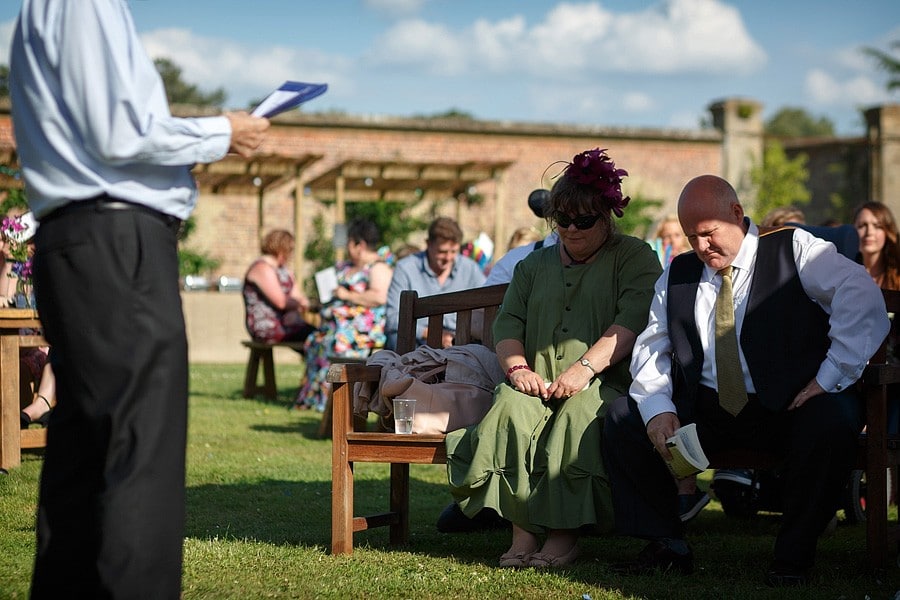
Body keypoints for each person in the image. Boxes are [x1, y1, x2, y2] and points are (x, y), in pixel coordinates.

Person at [9, 1, 270, 597]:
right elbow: (118, 132)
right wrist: (222, 132)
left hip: (83, 240)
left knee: (85, 455)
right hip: (115, 242)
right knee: (137, 456)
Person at [602, 175, 889, 586]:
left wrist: (828, 377)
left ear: (736, 214)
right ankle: (666, 542)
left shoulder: (794, 248)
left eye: (708, 233)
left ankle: (793, 556)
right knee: (622, 416)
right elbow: (653, 347)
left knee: (832, 419)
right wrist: (657, 409)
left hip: (791, 405)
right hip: (708, 410)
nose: (701, 247)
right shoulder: (678, 273)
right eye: (691, 237)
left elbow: (859, 293)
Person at [446, 148, 662, 568]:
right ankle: (523, 532)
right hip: (535, 379)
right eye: (562, 220)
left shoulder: (635, 258)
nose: (571, 229)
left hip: (604, 381)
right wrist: (518, 369)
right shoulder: (532, 265)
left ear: (608, 216)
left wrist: (584, 370)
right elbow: (507, 326)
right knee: (509, 408)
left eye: (584, 221)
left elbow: (630, 322)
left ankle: (563, 536)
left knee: (577, 416)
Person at [294, 219, 393, 411]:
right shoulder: (346, 267)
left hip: (360, 333)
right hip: (334, 327)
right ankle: (315, 399)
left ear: (359, 245)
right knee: (315, 341)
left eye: (349, 243)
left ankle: (333, 402)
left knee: (333, 343)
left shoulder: (378, 268)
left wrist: (347, 295)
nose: (347, 248)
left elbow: (380, 297)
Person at [385, 216, 486, 350]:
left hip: (459, 342)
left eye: (454, 251)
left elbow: (486, 311)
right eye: (442, 252)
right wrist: (433, 334)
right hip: (418, 340)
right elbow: (393, 319)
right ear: (428, 244)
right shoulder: (406, 268)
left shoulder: (470, 269)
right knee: (396, 338)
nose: (448, 258)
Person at [854, 201, 900, 433]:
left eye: (877, 225)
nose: (869, 232)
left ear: (887, 231)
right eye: (862, 225)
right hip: (852, 373)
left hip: (893, 376)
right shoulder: (844, 273)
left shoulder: (897, 278)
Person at [243, 229, 313, 344]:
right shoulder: (261, 268)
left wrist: (296, 309)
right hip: (267, 326)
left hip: (289, 322)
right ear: (281, 248)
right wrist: (298, 304)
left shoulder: (284, 271)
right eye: (290, 249)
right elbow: (282, 302)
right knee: (316, 340)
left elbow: (299, 298)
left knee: (318, 338)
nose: (291, 254)